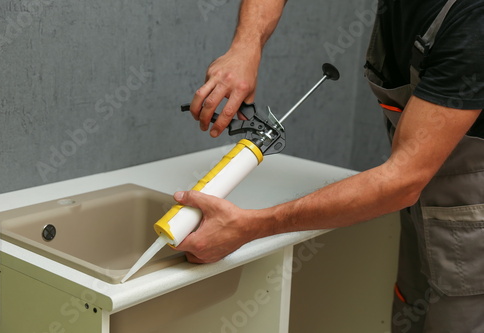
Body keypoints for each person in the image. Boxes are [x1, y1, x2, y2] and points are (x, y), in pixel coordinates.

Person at [174, 0, 484, 331]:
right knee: (410, 314)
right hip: (420, 212)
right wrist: (246, 45)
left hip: (469, 231)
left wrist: (250, 227)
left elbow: (402, 181)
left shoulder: (472, 25)